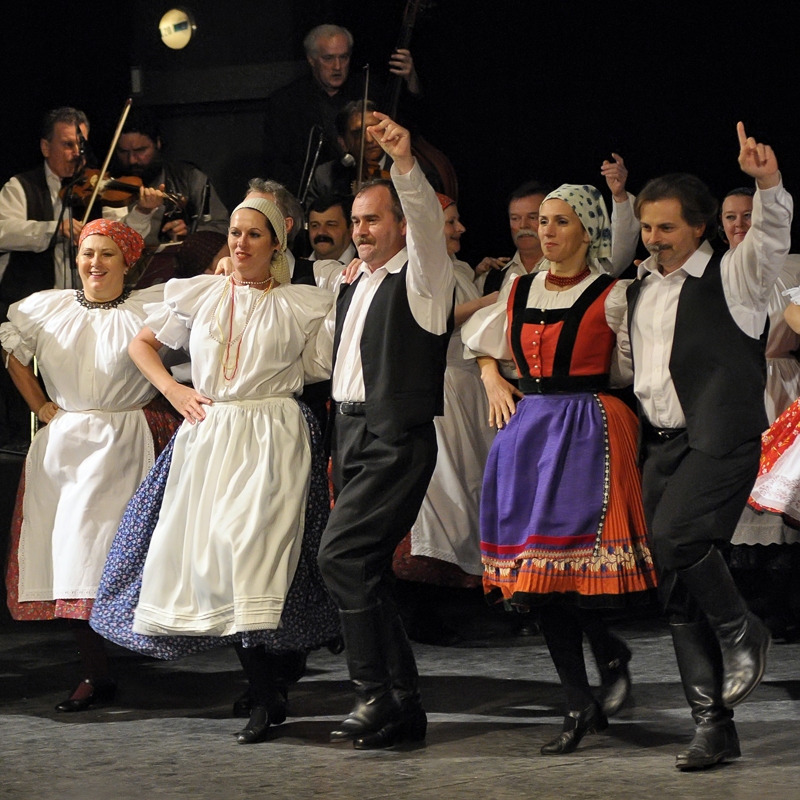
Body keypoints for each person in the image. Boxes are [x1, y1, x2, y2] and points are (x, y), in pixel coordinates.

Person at [90, 196, 338, 745]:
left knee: (254, 556)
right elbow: (142, 344)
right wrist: (173, 389)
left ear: (276, 243)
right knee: (217, 560)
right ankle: (265, 688)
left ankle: (270, 686)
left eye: (254, 234)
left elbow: (318, 368)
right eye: (235, 232)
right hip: (210, 432)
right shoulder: (201, 292)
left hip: (272, 434)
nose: (240, 243)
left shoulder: (303, 303)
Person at [616, 122, 792, 770]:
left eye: (667, 227)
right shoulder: (640, 288)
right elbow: (641, 370)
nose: (654, 237)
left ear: (699, 227)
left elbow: (769, 238)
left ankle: (744, 629)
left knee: (676, 537)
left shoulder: (734, 276)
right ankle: (713, 727)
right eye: (647, 226)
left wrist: (767, 183)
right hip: (662, 448)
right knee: (678, 592)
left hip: (719, 440)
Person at [462, 184, 656, 756]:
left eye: (560, 221)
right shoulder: (519, 288)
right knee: (535, 578)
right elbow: (481, 341)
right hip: (529, 432)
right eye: (542, 221)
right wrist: (492, 376)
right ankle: (578, 697)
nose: (544, 231)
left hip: (587, 427)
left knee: (565, 568)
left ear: (588, 232)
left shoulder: (614, 294)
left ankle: (604, 656)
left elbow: (627, 370)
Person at [316, 113, 454, 750]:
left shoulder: (422, 279)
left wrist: (404, 162)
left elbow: (426, 222)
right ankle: (404, 707)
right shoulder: (355, 281)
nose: (360, 231)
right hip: (350, 435)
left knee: (341, 557)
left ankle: (372, 694)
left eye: (373, 220)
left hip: (395, 438)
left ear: (400, 226)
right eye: (356, 220)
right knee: (367, 568)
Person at [0, 219, 178, 711]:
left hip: (126, 441)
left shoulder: (151, 308)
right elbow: (12, 352)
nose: (95, 263)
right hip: (67, 446)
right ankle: (96, 672)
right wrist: (40, 405)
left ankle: (144, 653)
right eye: (87, 253)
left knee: (119, 555)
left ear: (128, 262)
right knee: (74, 558)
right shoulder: (47, 308)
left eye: (107, 254)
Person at [392, 193, 496, 643]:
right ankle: (423, 609)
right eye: (450, 222)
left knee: (470, 491)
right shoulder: (417, 270)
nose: (460, 230)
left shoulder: (458, 269)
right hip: (441, 388)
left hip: (468, 390)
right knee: (441, 496)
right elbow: (431, 324)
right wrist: (492, 299)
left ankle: (466, 600)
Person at [263, 24, 420, 194]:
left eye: (343, 57)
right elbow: (278, 164)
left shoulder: (370, 89)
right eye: (328, 58)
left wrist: (410, 80)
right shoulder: (286, 101)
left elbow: (410, 121)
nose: (337, 66)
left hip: (370, 187)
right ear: (311, 59)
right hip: (313, 194)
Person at [107, 108, 228, 246]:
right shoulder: (110, 186)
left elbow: (222, 226)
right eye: (123, 152)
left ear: (157, 143)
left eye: (140, 150)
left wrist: (191, 232)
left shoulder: (188, 177)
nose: (132, 160)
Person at [307, 195, 355, 264]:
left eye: (330, 225)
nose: (321, 232)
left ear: (351, 229)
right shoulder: (295, 267)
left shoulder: (367, 265)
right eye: (315, 226)